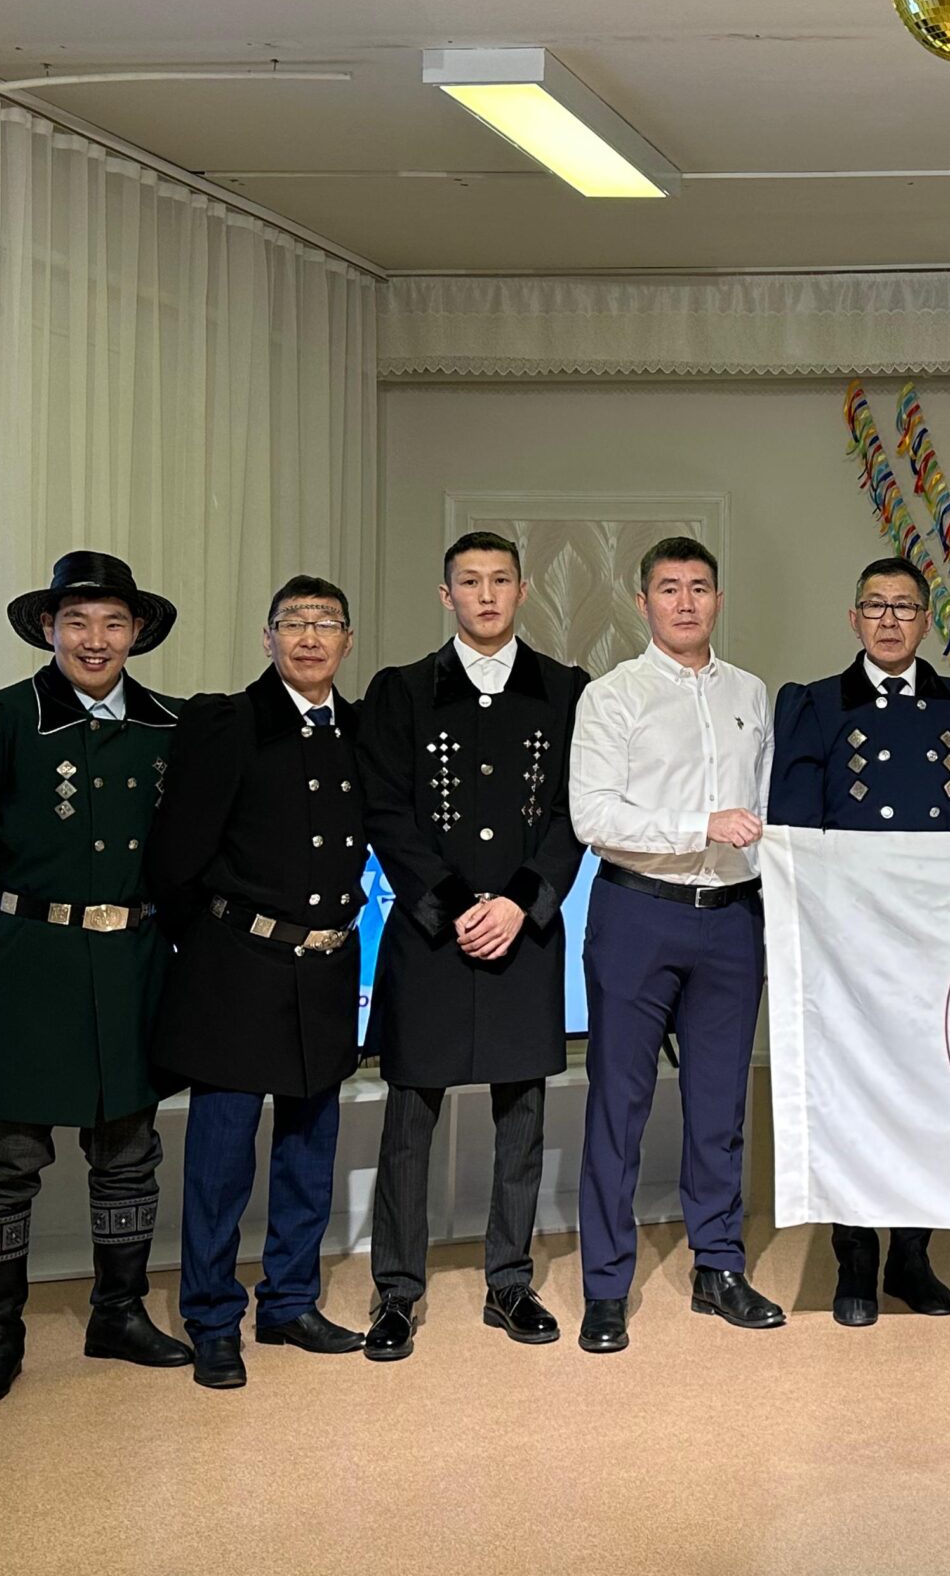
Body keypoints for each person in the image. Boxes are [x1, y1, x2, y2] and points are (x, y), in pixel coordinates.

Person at [0, 551, 193, 1407]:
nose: (95, 639)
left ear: (137, 631)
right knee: (6, 1159)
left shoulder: (170, 727)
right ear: (49, 628)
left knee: (129, 1153)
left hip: (132, 964)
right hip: (25, 970)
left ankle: (119, 1315)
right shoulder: (0, 717)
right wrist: (14, 928)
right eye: (77, 622)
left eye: (113, 622)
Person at [360, 533, 591, 1361]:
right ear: (445, 594)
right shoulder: (400, 690)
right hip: (432, 934)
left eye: (499, 580)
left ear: (522, 591)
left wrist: (522, 903)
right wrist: (456, 906)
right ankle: (396, 1292)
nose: (485, 595)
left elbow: (574, 811)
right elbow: (386, 811)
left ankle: (510, 1282)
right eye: (469, 581)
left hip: (524, 934)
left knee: (522, 1114)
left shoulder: (566, 689)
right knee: (408, 1120)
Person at [147, 575, 372, 1388]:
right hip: (236, 966)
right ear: (267, 638)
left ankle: (288, 1303)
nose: (310, 637)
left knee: (309, 1151)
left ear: (347, 641)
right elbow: (175, 856)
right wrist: (211, 943)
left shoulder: (361, 730)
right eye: (293, 623)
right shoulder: (227, 721)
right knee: (221, 1158)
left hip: (327, 964)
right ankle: (212, 1318)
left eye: (326, 623)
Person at [569, 536, 784, 1353]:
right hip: (638, 912)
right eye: (669, 588)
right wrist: (701, 825)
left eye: (699, 587)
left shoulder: (750, 693)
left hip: (731, 918)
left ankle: (718, 1267)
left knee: (720, 1106)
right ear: (643, 602)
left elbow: (765, 808)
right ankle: (605, 1286)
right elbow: (593, 816)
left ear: (719, 600)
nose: (685, 601)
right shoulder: (611, 696)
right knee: (617, 1105)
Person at [767, 557, 950, 1325]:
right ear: (853, 619)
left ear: (926, 621)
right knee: (851, 1096)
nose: (889, 620)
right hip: (847, 938)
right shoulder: (814, 704)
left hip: (935, 936)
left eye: (904, 607)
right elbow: (793, 830)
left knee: (925, 1094)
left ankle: (912, 1254)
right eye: (875, 606)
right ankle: (854, 1255)